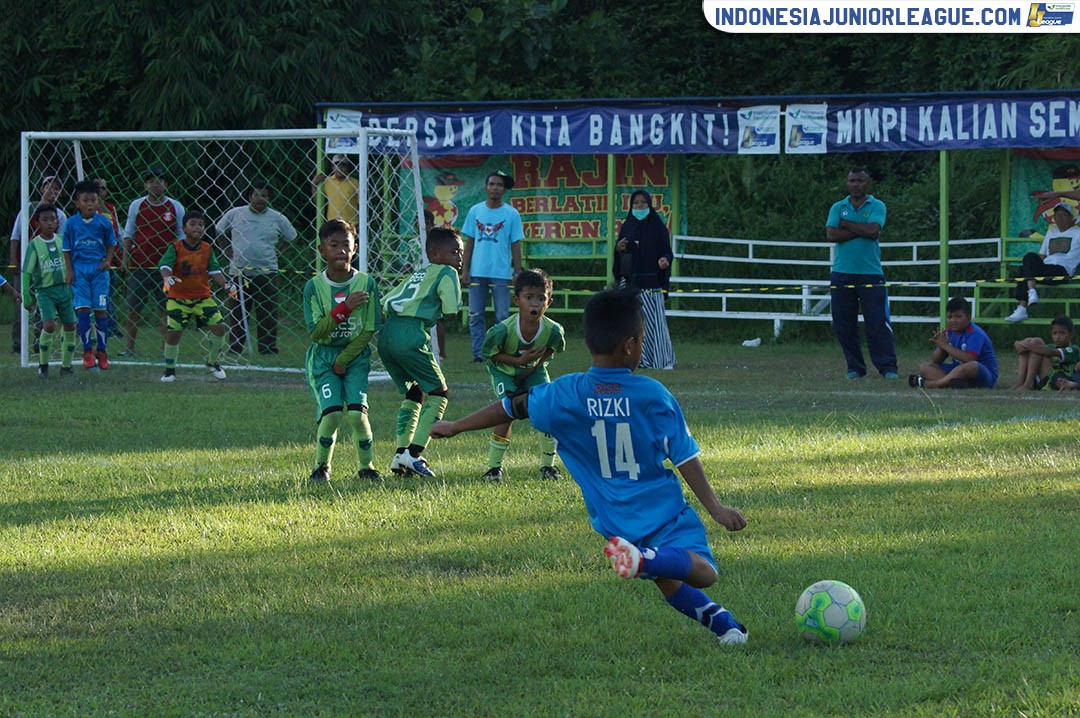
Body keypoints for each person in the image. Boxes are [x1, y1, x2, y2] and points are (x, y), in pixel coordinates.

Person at [431, 289, 749, 645]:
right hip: (661, 510)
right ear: (630, 346)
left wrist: (456, 425)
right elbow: (685, 457)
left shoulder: (565, 394)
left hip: (612, 521)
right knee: (703, 571)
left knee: (665, 574)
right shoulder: (652, 395)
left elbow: (512, 406)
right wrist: (716, 509)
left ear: (587, 341)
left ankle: (724, 625)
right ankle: (647, 561)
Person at [377, 227, 463, 479]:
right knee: (439, 392)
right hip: (411, 333)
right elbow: (451, 310)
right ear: (435, 254)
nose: (458, 258)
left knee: (414, 392)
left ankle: (400, 454)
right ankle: (414, 455)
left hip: (388, 335)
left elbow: (386, 302)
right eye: (454, 252)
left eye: (461, 253)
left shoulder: (418, 273)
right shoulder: (446, 272)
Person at [303, 219, 382, 483]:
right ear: (321, 250)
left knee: (358, 415)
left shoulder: (367, 283)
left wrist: (346, 358)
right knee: (334, 413)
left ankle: (367, 468)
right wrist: (345, 308)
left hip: (355, 357)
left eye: (345, 245)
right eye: (333, 245)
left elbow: (370, 328)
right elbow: (316, 332)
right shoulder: (314, 287)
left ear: (355, 248)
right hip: (324, 359)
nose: (340, 251)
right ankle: (321, 467)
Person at [478, 268, 566, 481]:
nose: (535, 304)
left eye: (541, 298)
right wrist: (518, 363)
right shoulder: (503, 331)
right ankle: (494, 468)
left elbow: (553, 349)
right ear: (517, 300)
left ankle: (548, 466)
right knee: (508, 410)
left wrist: (533, 369)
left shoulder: (553, 330)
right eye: (529, 297)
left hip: (533, 371)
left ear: (549, 302)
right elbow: (490, 353)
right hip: (505, 372)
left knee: (548, 411)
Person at [825, 166, 899, 380]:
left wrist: (846, 225)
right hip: (842, 273)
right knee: (844, 324)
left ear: (867, 183)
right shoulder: (838, 206)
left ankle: (887, 367)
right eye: (852, 181)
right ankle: (855, 368)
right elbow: (831, 234)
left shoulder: (877, 205)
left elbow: (873, 230)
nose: (855, 184)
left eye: (859, 181)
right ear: (847, 183)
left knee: (877, 323)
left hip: (870, 273)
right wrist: (860, 229)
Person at [215, 180, 298, 355]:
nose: (260, 198)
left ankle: (267, 348)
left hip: (267, 272)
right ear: (249, 196)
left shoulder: (277, 217)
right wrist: (225, 249)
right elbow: (219, 230)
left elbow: (291, 237)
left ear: (269, 198)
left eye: (265, 195)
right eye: (257, 195)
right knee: (237, 311)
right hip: (238, 271)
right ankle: (235, 347)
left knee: (267, 312)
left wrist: (279, 251)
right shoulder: (236, 213)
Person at [157, 211, 235, 383]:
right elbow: (164, 264)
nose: (197, 227)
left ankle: (212, 362)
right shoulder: (176, 247)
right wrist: (166, 276)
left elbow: (214, 270)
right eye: (193, 224)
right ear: (184, 228)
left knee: (219, 327)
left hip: (202, 298)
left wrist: (226, 285)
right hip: (178, 298)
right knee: (174, 333)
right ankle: (170, 370)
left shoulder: (207, 248)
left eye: (200, 224)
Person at [120, 168, 184, 357]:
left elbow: (180, 236)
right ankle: (129, 348)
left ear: (166, 185)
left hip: (165, 268)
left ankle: (166, 350)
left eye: (160, 180)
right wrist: (125, 260)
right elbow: (129, 233)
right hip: (140, 265)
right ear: (145, 185)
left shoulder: (175, 206)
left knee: (165, 309)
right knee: (133, 309)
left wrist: (178, 262)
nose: (156, 184)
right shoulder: (137, 205)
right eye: (151, 181)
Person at [461, 170, 523, 362]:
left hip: (502, 273)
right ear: (485, 187)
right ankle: (479, 354)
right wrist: (465, 269)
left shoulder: (511, 214)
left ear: (504, 190)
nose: (495, 188)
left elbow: (515, 244)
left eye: (499, 185)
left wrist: (517, 271)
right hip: (478, 272)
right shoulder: (475, 211)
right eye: (492, 184)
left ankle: (499, 352)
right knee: (475, 315)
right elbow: (469, 242)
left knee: (502, 316)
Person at [613, 189, 676, 370]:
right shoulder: (627, 226)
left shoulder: (657, 226)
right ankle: (634, 359)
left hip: (651, 283)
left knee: (654, 323)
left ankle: (660, 359)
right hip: (631, 283)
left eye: (643, 203)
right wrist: (619, 248)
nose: (639, 206)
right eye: (636, 203)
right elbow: (619, 254)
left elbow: (667, 250)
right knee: (632, 323)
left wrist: (664, 260)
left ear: (649, 205)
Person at [63, 180, 118, 370]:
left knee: (101, 310)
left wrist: (108, 260)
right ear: (77, 203)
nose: (89, 204)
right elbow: (67, 249)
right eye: (85, 200)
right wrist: (69, 271)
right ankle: (87, 351)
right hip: (79, 269)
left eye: (93, 200)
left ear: (98, 202)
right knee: (83, 310)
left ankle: (102, 351)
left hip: (99, 271)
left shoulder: (104, 222)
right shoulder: (71, 224)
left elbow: (111, 243)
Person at [9, 174, 66, 353]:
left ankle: (38, 343)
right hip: (26, 264)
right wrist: (13, 260)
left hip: (46, 267)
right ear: (42, 188)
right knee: (22, 302)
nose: (53, 191)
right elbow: (15, 236)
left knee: (44, 307)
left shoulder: (60, 215)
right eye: (50, 186)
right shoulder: (28, 208)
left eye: (57, 188)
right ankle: (18, 344)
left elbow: (61, 242)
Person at [20, 204, 76, 378]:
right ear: (38, 223)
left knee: (70, 325)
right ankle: (43, 365)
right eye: (45, 220)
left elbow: (71, 263)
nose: (50, 223)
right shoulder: (34, 245)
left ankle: (66, 367)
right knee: (49, 325)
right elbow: (26, 272)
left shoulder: (62, 240)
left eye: (53, 219)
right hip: (45, 292)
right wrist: (26, 295)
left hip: (65, 290)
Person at [1002, 202, 1080, 323]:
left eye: (1064, 215)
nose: (1060, 218)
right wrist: (1031, 265)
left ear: (1071, 217)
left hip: (1062, 271)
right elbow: (1042, 255)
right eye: (1057, 215)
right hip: (1046, 267)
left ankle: (1023, 306)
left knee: (1023, 272)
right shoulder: (1051, 232)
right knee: (1028, 259)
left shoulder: (1077, 232)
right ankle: (1031, 294)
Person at [909, 295, 998, 389]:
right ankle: (958, 384)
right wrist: (941, 347)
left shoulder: (975, 333)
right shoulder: (948, 333)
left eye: (958, 317)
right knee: (925, 367)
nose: (953, 321)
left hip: (982, 373)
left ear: (968, 317)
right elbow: (935, 361)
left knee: (971, 366)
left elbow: (970, 359)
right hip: (958, 371)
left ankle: (932, 384)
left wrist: (946, 346)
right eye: (949, 317)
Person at [1009, 315, 1079, 391]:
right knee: (1034, 344)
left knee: (1037, 342)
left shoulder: (1074, 349)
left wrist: (1025, 345)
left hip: (1061, 380)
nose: (1058, 337)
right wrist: (1018, 344)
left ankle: (1028, 384)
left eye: (1062, 333)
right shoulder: (1051, 346)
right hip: (1047, 378)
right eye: (1055, 333)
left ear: (1071, 335)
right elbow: (1040, 348)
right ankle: (1020, 382)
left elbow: (1050, 352)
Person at [93, 177, 124, 342]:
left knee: (108, 294)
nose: (100, 191)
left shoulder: (110, 208)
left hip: (110, 259)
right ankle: (100, 327)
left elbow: (118, 233)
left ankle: (111, 326)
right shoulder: (88, 208)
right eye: (97, 188)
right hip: (93, 258)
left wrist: (122, 256)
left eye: (103, 188)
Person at [310, 154, 360, 228]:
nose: (339, 168)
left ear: (347, 167)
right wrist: (313, 185)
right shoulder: (327, 182)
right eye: (336, 165)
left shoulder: (355, 183)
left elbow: (361, 205)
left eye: (342, 166)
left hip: (352, 224)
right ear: (332, 167)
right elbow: (318, 202)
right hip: (333, 224)